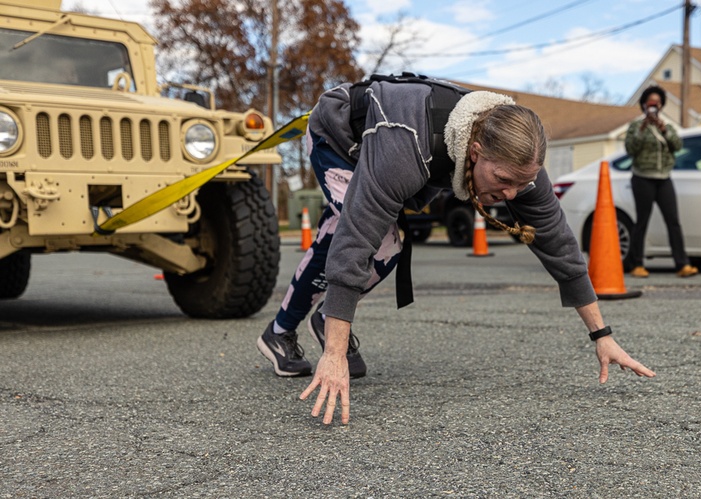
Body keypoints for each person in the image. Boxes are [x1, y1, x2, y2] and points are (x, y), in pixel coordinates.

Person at [256, 74, 656, 425]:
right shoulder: (405, 146)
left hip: (396, 148)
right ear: (476, 150)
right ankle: (285, 332)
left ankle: (323, 322)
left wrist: (601, 334)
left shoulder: (520, 160)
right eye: (502, 180)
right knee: (374, 240)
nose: (510, 194)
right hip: (338, 136)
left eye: (522, 183)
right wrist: (335, 355)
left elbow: (559, 244)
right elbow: (356, 238)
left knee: (379, 244)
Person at [623, 85, 697, 279]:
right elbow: (631, 149)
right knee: (642, 221)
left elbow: (677, 146)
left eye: (657, 102)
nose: (653, 106)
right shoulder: (635, 126)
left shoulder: (668, 126)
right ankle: (637, 264)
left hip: (664, 178)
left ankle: (682, 264)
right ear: (644, 105)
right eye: (650, 103)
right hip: (642, 178)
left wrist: (663, 129)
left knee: (673, 221)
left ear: (661, 105)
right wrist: (643, 127)